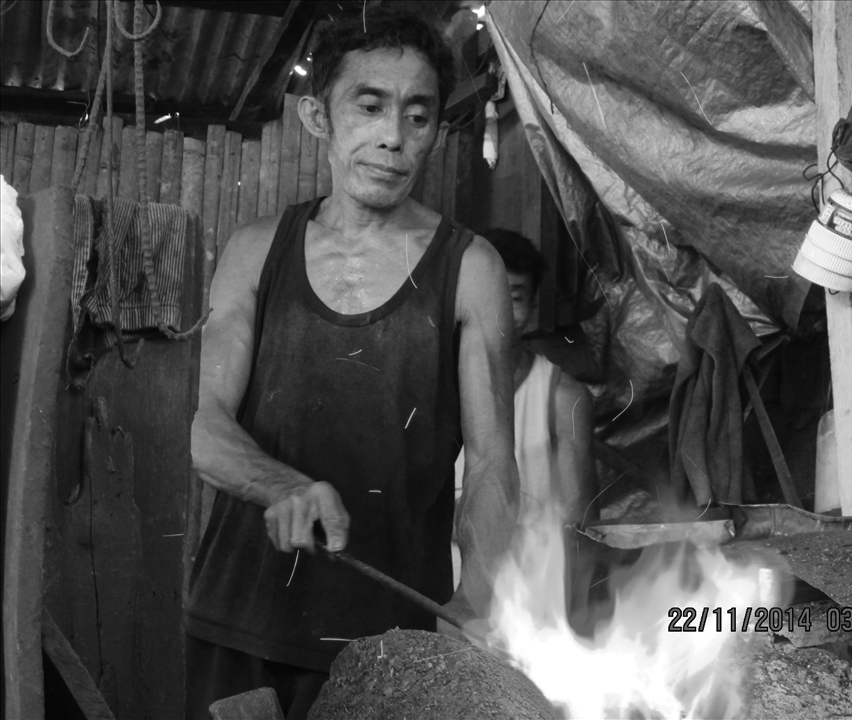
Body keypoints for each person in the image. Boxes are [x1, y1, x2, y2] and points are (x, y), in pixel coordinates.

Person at [184, 9, 520, 719]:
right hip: (237, 619)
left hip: (388, 649)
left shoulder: (471, 269)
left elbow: (491, 464)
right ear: (318, 117)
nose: (394, 137)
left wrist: (481, 591)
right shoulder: (255, 251)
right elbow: (205, 430)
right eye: (369, 106)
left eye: (418, 116)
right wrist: (283, 485)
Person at [451, 229, 598, 615]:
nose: (495, 308)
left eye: (512, 298)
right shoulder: (422, 391)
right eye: (487, 293)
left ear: (532, 307)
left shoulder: (562, 397)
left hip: (526, 607)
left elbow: (578, 522)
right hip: (435, 601)